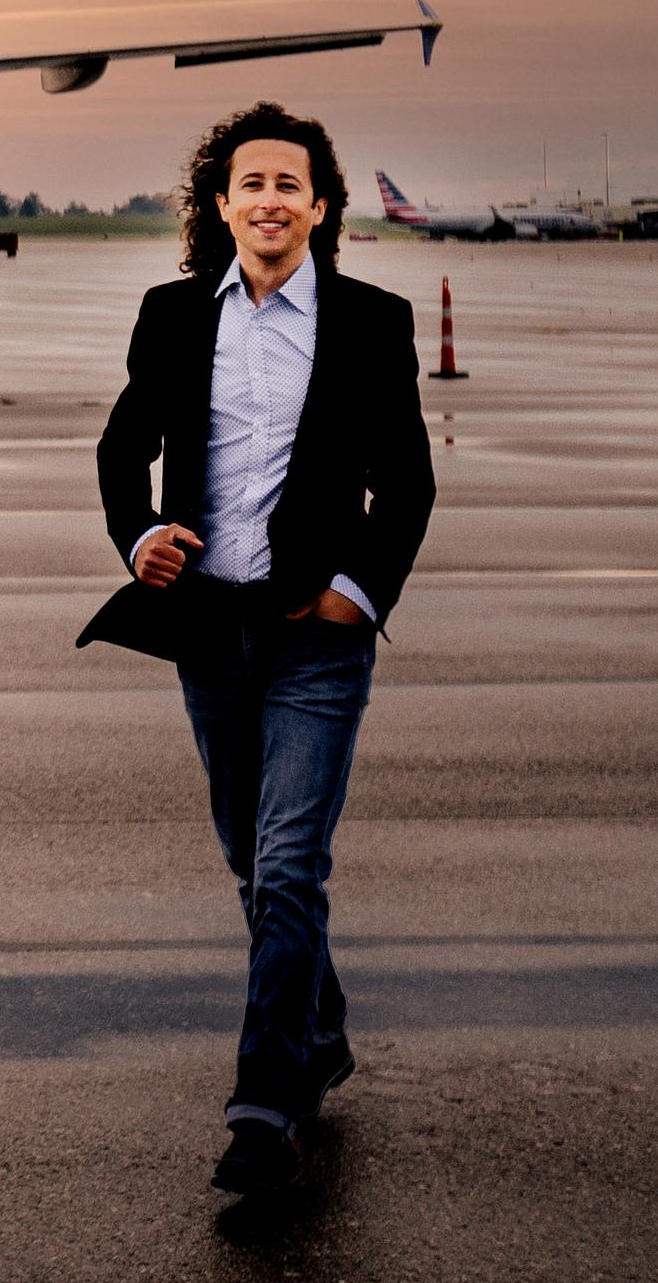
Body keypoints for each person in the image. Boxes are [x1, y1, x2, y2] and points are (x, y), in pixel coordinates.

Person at [80, 101, 434, 1197]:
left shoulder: (373, 321)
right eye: (251, 184)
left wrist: (354, 594)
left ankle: (264, 1104)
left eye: (291, 184)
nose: (271, 200)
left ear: (319, 206)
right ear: (221, 205)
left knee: (289, 866)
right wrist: (139, 536)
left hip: (315, 638)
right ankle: (317, 1031)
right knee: (249, 857)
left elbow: (408, 483)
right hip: (209, 628)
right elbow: (120, 449)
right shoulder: (176, 314)